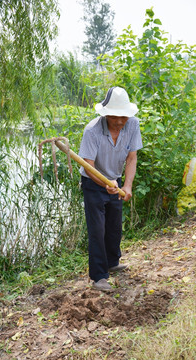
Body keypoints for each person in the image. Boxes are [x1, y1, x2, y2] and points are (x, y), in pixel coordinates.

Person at [79, 86, 143, 291]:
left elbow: (132, 157)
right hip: (93, 183)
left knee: (114, 226)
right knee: (97, 229)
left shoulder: (133, 125)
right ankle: (99, 277)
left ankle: (112, 262)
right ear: (106, 115)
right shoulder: (92, 130)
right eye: (115, 117)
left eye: (123, 116)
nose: (119, 121)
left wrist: (127, 185)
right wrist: (104, 183)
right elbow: (87, 165)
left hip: (116, 182)